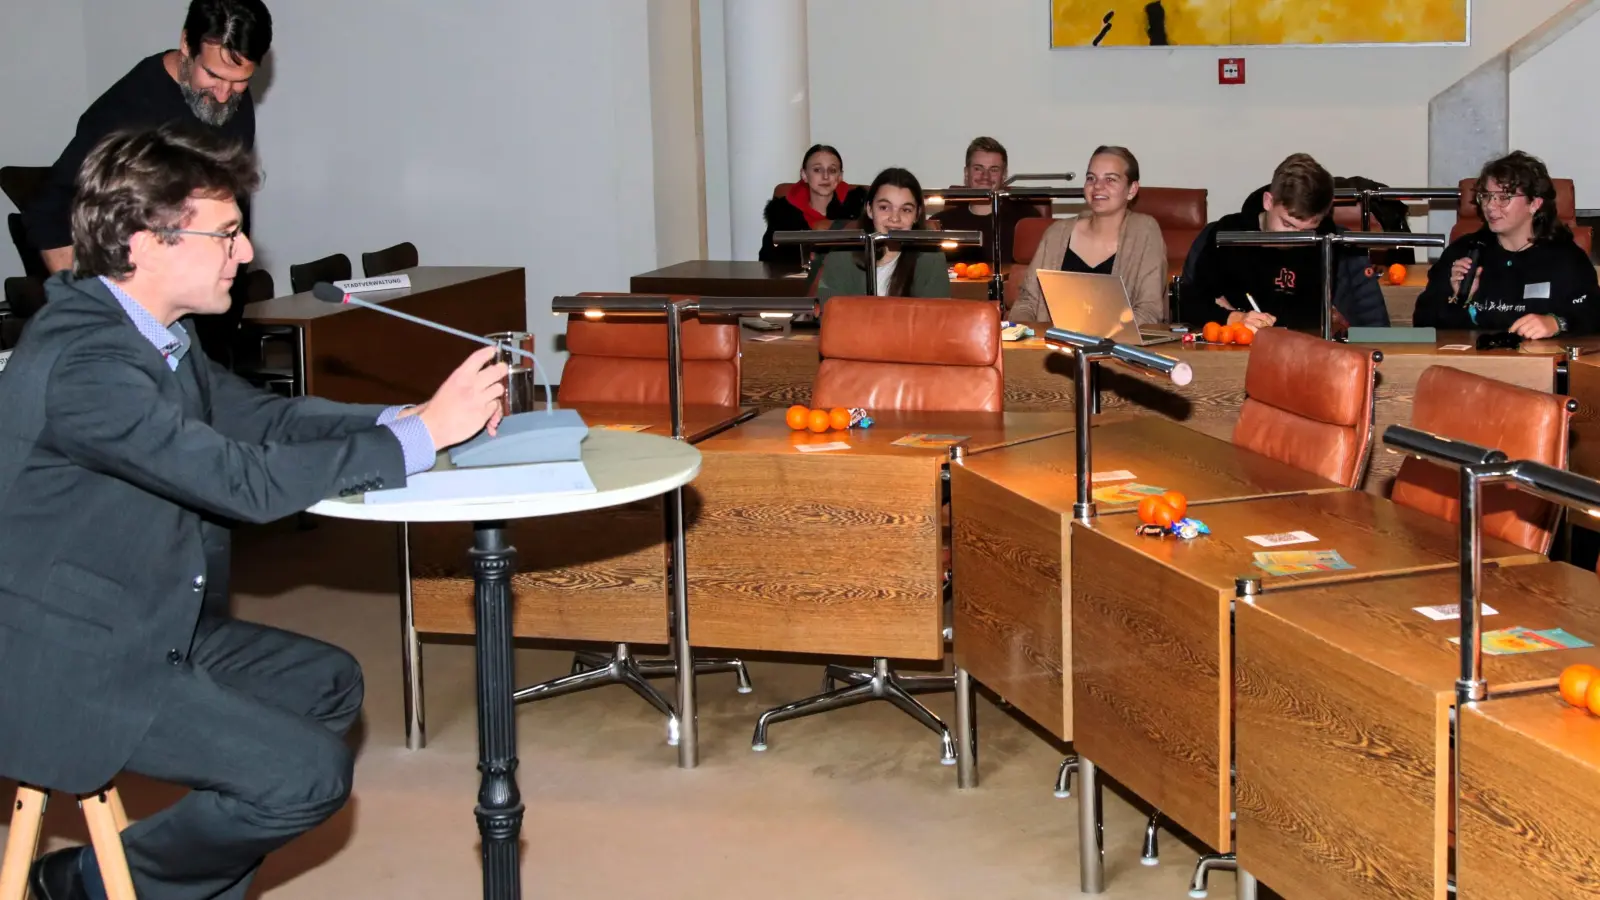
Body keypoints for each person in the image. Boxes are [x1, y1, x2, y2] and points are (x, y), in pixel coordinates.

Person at [0, 125, 508, 900]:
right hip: (67, 665)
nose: (246, 255)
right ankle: (82, 885)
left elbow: (262, 421)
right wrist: (423, 435)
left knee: (328, 683)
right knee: (305, 777)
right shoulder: (88, 365)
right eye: (228, 235)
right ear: (146, 242)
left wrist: (397, 421)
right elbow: (240, 481)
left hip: (146, 622)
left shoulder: (148, 332)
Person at [24, 0, 272, 364]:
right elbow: (47, 215)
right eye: (214, 76)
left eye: (240, 81)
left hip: (212, 321)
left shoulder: (230, 99)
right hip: (148, 335)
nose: (224, 95)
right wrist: (105, 314)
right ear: (186, 44)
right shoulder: (125, 112)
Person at [1181, 153, 1388, 332]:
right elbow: (1187, 302)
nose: (1296, 238)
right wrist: (1233, 317)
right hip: (1234, 350)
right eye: (1287, 224)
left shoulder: (1329, 242)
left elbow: (1312, 315)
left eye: (1307, 231)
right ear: (1268, 202)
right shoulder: (1227, 233)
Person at [1414, 151, 1596, 337]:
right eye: (1485, 196)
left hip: (1537, 362)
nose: (1490, 206)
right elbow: (1422, 322)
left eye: (1503, 197)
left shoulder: (1565, 258)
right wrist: (1456, 299)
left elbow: (1592, 317)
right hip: (1471, 361)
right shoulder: (1464, 252)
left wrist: (1557, 323)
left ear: (1534, 203)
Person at [1009, 146, 1167, 325]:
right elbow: (1027, 302)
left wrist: (1094, 338)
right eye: (1091, 178)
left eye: (1110, 179)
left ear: (1132, 190)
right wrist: (1028, 335)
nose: (1098, 186)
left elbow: (1149, 311)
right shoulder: (1056, 233)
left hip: (1118, 350)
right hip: (1053, 347)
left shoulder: (1145, 231)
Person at [813, 168, 951, 305]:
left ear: (917, 214)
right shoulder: (841, 254)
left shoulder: (931, 257)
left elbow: (937, 318)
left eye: (906, 210)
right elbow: (829, 315)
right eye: (884, 207)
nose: (895, 218)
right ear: (869, 209)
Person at [930, 136, 1041, 266]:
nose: (985, 176)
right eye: (978, 168)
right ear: (966, 173)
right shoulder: (942, 222)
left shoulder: (1026, 219)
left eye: (994, 170)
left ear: (1004, 175)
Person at [759, 144, 868, 265]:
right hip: (796, 281)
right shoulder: (783, 213)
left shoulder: (858, 208)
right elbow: (767, 259)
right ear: (804, 175)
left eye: (832, 170)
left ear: (840, 177)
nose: (825, 177)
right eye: (817, 170)